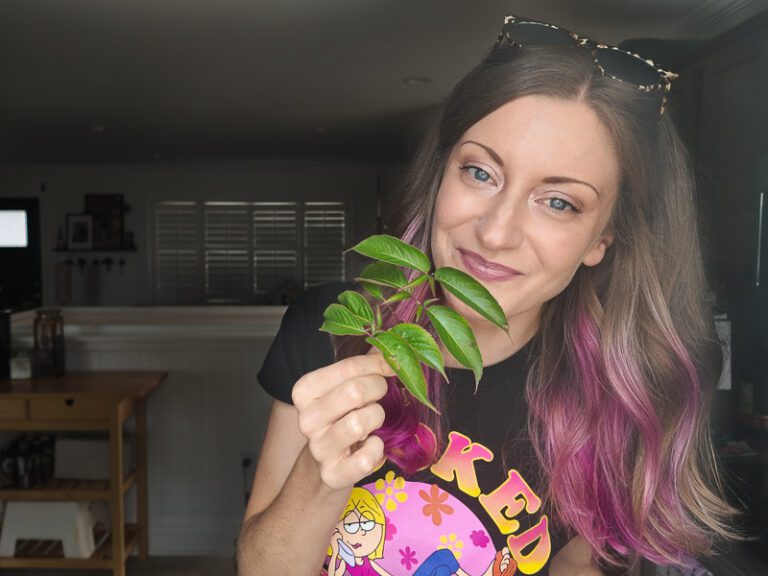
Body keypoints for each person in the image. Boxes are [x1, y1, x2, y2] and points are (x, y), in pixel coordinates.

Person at [237, 14, 738, 576]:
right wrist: (318, 473)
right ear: (441, 173)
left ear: (603, 238)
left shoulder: (620, 393)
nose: (496, 233)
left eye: (558, 202)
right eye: (481, 173)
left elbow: (579, 564)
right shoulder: (327, 328)